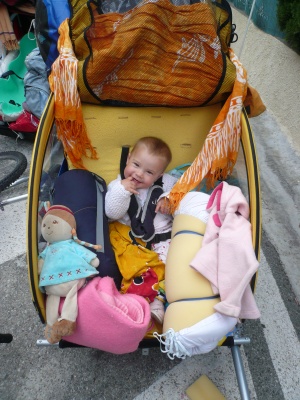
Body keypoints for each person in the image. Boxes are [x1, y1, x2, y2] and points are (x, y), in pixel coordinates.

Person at [105, 136, 177, 324]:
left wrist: (170, 200)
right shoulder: (118, 185)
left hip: (162, 239)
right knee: (135, 271)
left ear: (159, 175)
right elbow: (111, 212)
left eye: (149, 172)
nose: (138, 174)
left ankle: (162, 301)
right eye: (136, 165)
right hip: (132, 242)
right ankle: (139, 302)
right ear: (128, 159)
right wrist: (123, 191)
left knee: (170, 268)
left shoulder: (167, 183)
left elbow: (183, 192)